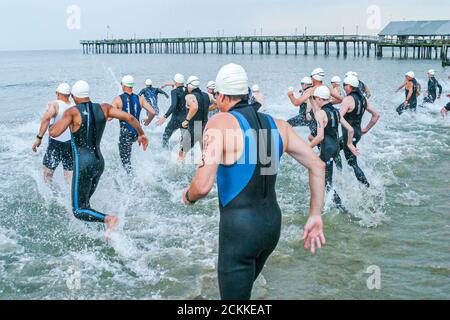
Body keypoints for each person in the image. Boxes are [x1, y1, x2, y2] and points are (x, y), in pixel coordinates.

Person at [182, 63, 326, 300]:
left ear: (219, 95)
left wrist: (187, 196)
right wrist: (315, 215)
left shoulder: (220, 122)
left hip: (239, 233)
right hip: (271, 229)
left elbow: (202, 186)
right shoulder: (279, 125)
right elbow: (317, 166)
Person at [49, 80, 149, 239]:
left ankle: (109, 219)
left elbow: (54, 133)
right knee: (85, 203)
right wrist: (141, 134)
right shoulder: (104, 108)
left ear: (74, 97)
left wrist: (52, 118)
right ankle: (100, 232)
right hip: (98, 163)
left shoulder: (72, 112)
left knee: (78, 210)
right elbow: (130, 118)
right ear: (87, 94)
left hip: (83, 165)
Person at [309, 86, 358, 212]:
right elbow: (350, 129)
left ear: (319, 99)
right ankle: (326, 203)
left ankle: (341, 209)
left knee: (327, 183)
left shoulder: (320, 113)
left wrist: (306, 148)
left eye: (314, 99)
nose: (314, 101)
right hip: (336, 148)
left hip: (327, 150)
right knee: (323, 178)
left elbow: (319, 137)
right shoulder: (336, 112)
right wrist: (350, 144)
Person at [339, 75, 380, 187]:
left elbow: (339, 117)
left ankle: (367, 186)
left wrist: (349, 129)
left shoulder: (347, 99)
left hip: (350, 135)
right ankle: (339, 174)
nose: (344, 88)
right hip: (357, 133)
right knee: (334, 148)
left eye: (345, 85)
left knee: (353, 164)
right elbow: (376, 115)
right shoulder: (363, 99)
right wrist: (366, 129)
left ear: (351, 87)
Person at [112, 75, 155, 174]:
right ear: (132, 86)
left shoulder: (117, 99)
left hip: (125, 134)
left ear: (123, 85)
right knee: (129, 154)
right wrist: (148, 121)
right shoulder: (140, 98)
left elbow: (109, 118)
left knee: (125, 162)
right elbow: (152, 112)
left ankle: (132, 181)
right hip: (137, 133)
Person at [32, 83, 74, 184]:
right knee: (69, 176)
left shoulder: (55, 104)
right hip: (71, 144)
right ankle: (71, 197)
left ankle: (51, 196)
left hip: (56, 144)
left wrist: (39, 138)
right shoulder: (74, 106)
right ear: (69, 95)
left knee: (47, 175)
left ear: (57, 93)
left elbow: (46, 118)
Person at [179, 76, 210, 160]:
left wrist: (186, 120)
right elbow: (215, 104)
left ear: (189, 85)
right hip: (205, 127)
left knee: (181, 153)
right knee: (205, 155)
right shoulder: (207, 95)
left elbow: (194, 107)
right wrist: (206, 108)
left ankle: (178, 171)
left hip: (194, 127)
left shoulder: (189, 96)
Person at [157, 74, 188, 148]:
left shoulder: (174, 91)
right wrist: (166, 84)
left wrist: (164, 117)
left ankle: (165, 152)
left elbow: (173, 105)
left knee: (166, 135)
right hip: (186, 119)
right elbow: (179, 85)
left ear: (175, 82)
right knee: (185, 139)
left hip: (176, 119)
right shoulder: (187, 90)